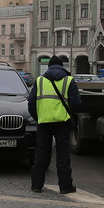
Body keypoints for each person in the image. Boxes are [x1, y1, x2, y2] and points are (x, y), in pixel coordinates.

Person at [28, 56, 82, 194]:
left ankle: (36, 186)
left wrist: (39, 117)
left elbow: (31, 103)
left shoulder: (40, 80)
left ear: (49, 67)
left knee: (41, 153)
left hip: (44, 121)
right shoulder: (69, 80)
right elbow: (76, 104)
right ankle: (65, 187)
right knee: (62, 154)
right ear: (62, 66)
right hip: (62, 122)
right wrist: (69, 114)